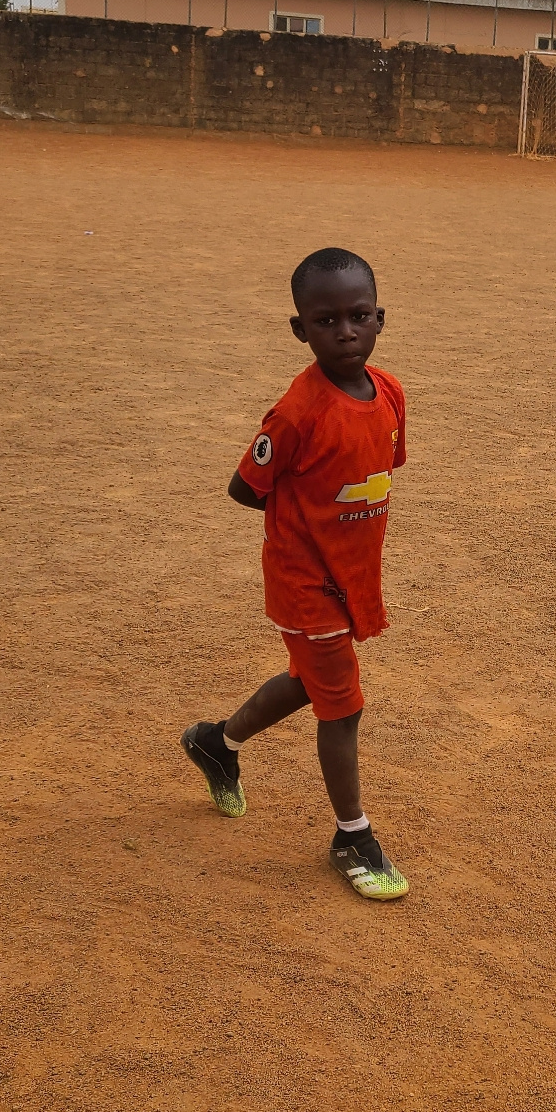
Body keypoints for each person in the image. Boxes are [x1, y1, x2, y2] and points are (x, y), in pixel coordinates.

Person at [181, 247, 409, 901]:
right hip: (304, 581)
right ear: (299, 329)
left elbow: (374, 473)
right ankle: (352, 836)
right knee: (343, 706)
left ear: (380, 318)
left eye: (359, 316)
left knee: (312, 683)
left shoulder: (390, 392)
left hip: (351, 574)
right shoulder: (297, 413)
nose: (346, 331)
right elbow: (243, 488)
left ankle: (217, 743)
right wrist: (300, 528)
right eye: (326, 320)